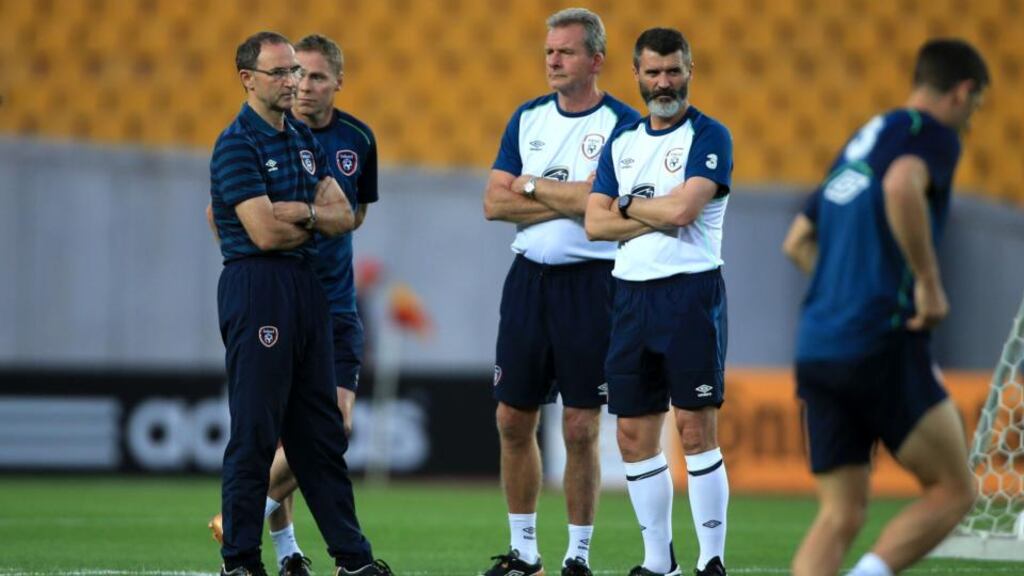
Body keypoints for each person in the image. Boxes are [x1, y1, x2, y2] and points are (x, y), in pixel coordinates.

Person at [781, 39, 990, 576]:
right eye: (975, 107)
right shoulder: (932, 135)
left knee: (840, 513)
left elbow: (797, 241)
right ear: (963, 92)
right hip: (881, 337)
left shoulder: (860, 142)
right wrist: (927, 281)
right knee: (953, 491)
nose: (970, 120)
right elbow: (902, 186)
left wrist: (845, 285)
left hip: (818, 344)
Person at [209, 31, 390, 576]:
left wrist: (298, 216)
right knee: (257, 430)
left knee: (322, 433)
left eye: (296, 72)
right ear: (248, 79)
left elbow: (342, 216)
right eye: (281, 73)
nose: (292, 82)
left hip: (307, 287)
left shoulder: (301, 139)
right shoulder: (236, 143)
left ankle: (353, 559)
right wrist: (307, 217)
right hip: (259, 285)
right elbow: (262, 234)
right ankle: (240, 559)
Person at [482, 8, 640, 576]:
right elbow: (493, 203)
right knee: (511, 419)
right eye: (549, 50)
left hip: (591, 283)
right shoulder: (526, 118)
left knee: (579, 425)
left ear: (595, 60)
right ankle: (524, 551)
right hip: (528, 281)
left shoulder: (624, 124)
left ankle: (577, 555)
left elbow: (598, 206)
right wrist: (562, 192)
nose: (553, 60)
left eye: (566, 51)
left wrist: (528, 182)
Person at [585, 27, 732, 576]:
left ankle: (711, 559)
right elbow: (595, 224)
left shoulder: (710, 135)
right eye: (653, 72)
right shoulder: (622, 142)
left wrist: (627, 204)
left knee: (695, 428)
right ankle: (657, 562)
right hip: (629, 297)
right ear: (637, 75)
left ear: (689, 69)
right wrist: (648, 207)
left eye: (673, 70)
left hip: (689, 293)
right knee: (630, 434)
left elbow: (683, 213)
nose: (663, 82)